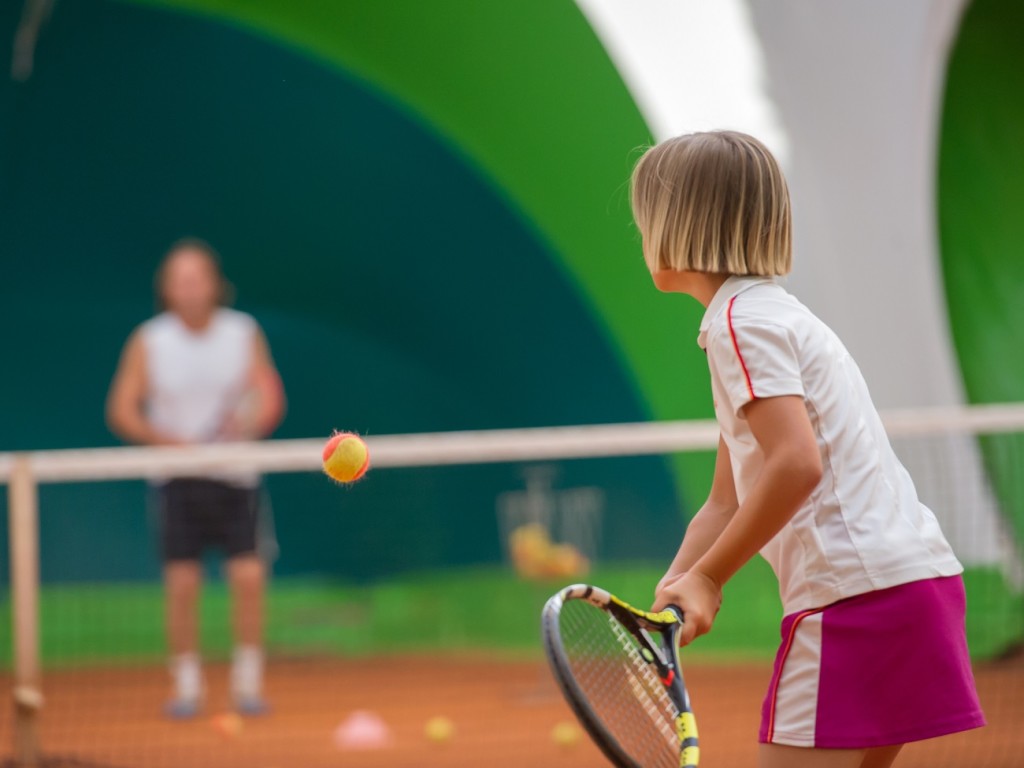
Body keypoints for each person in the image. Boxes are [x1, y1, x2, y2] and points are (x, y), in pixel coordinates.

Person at [631, 132, 984, 768]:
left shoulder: (739, 326)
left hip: (854, 604)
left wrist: (712, 577)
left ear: (676, 226)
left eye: (645, 219)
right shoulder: (774, 317)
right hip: (917, 588)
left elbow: (796, 463)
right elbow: (724, 499)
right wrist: (681, 582)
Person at [106, 238, 286, 718]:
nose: (189, 287)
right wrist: (168, 443)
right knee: (182, 582)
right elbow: (121, 409)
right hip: (176, 481)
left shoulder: (244, 333)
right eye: (179, 279)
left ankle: (248, 683)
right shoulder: (149, 341)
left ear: (214, 284)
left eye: (197, 277)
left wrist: (248, 424)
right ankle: (186, 687)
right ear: (166, 288)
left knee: (248, 576)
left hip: (236, 480)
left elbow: (267, 396)